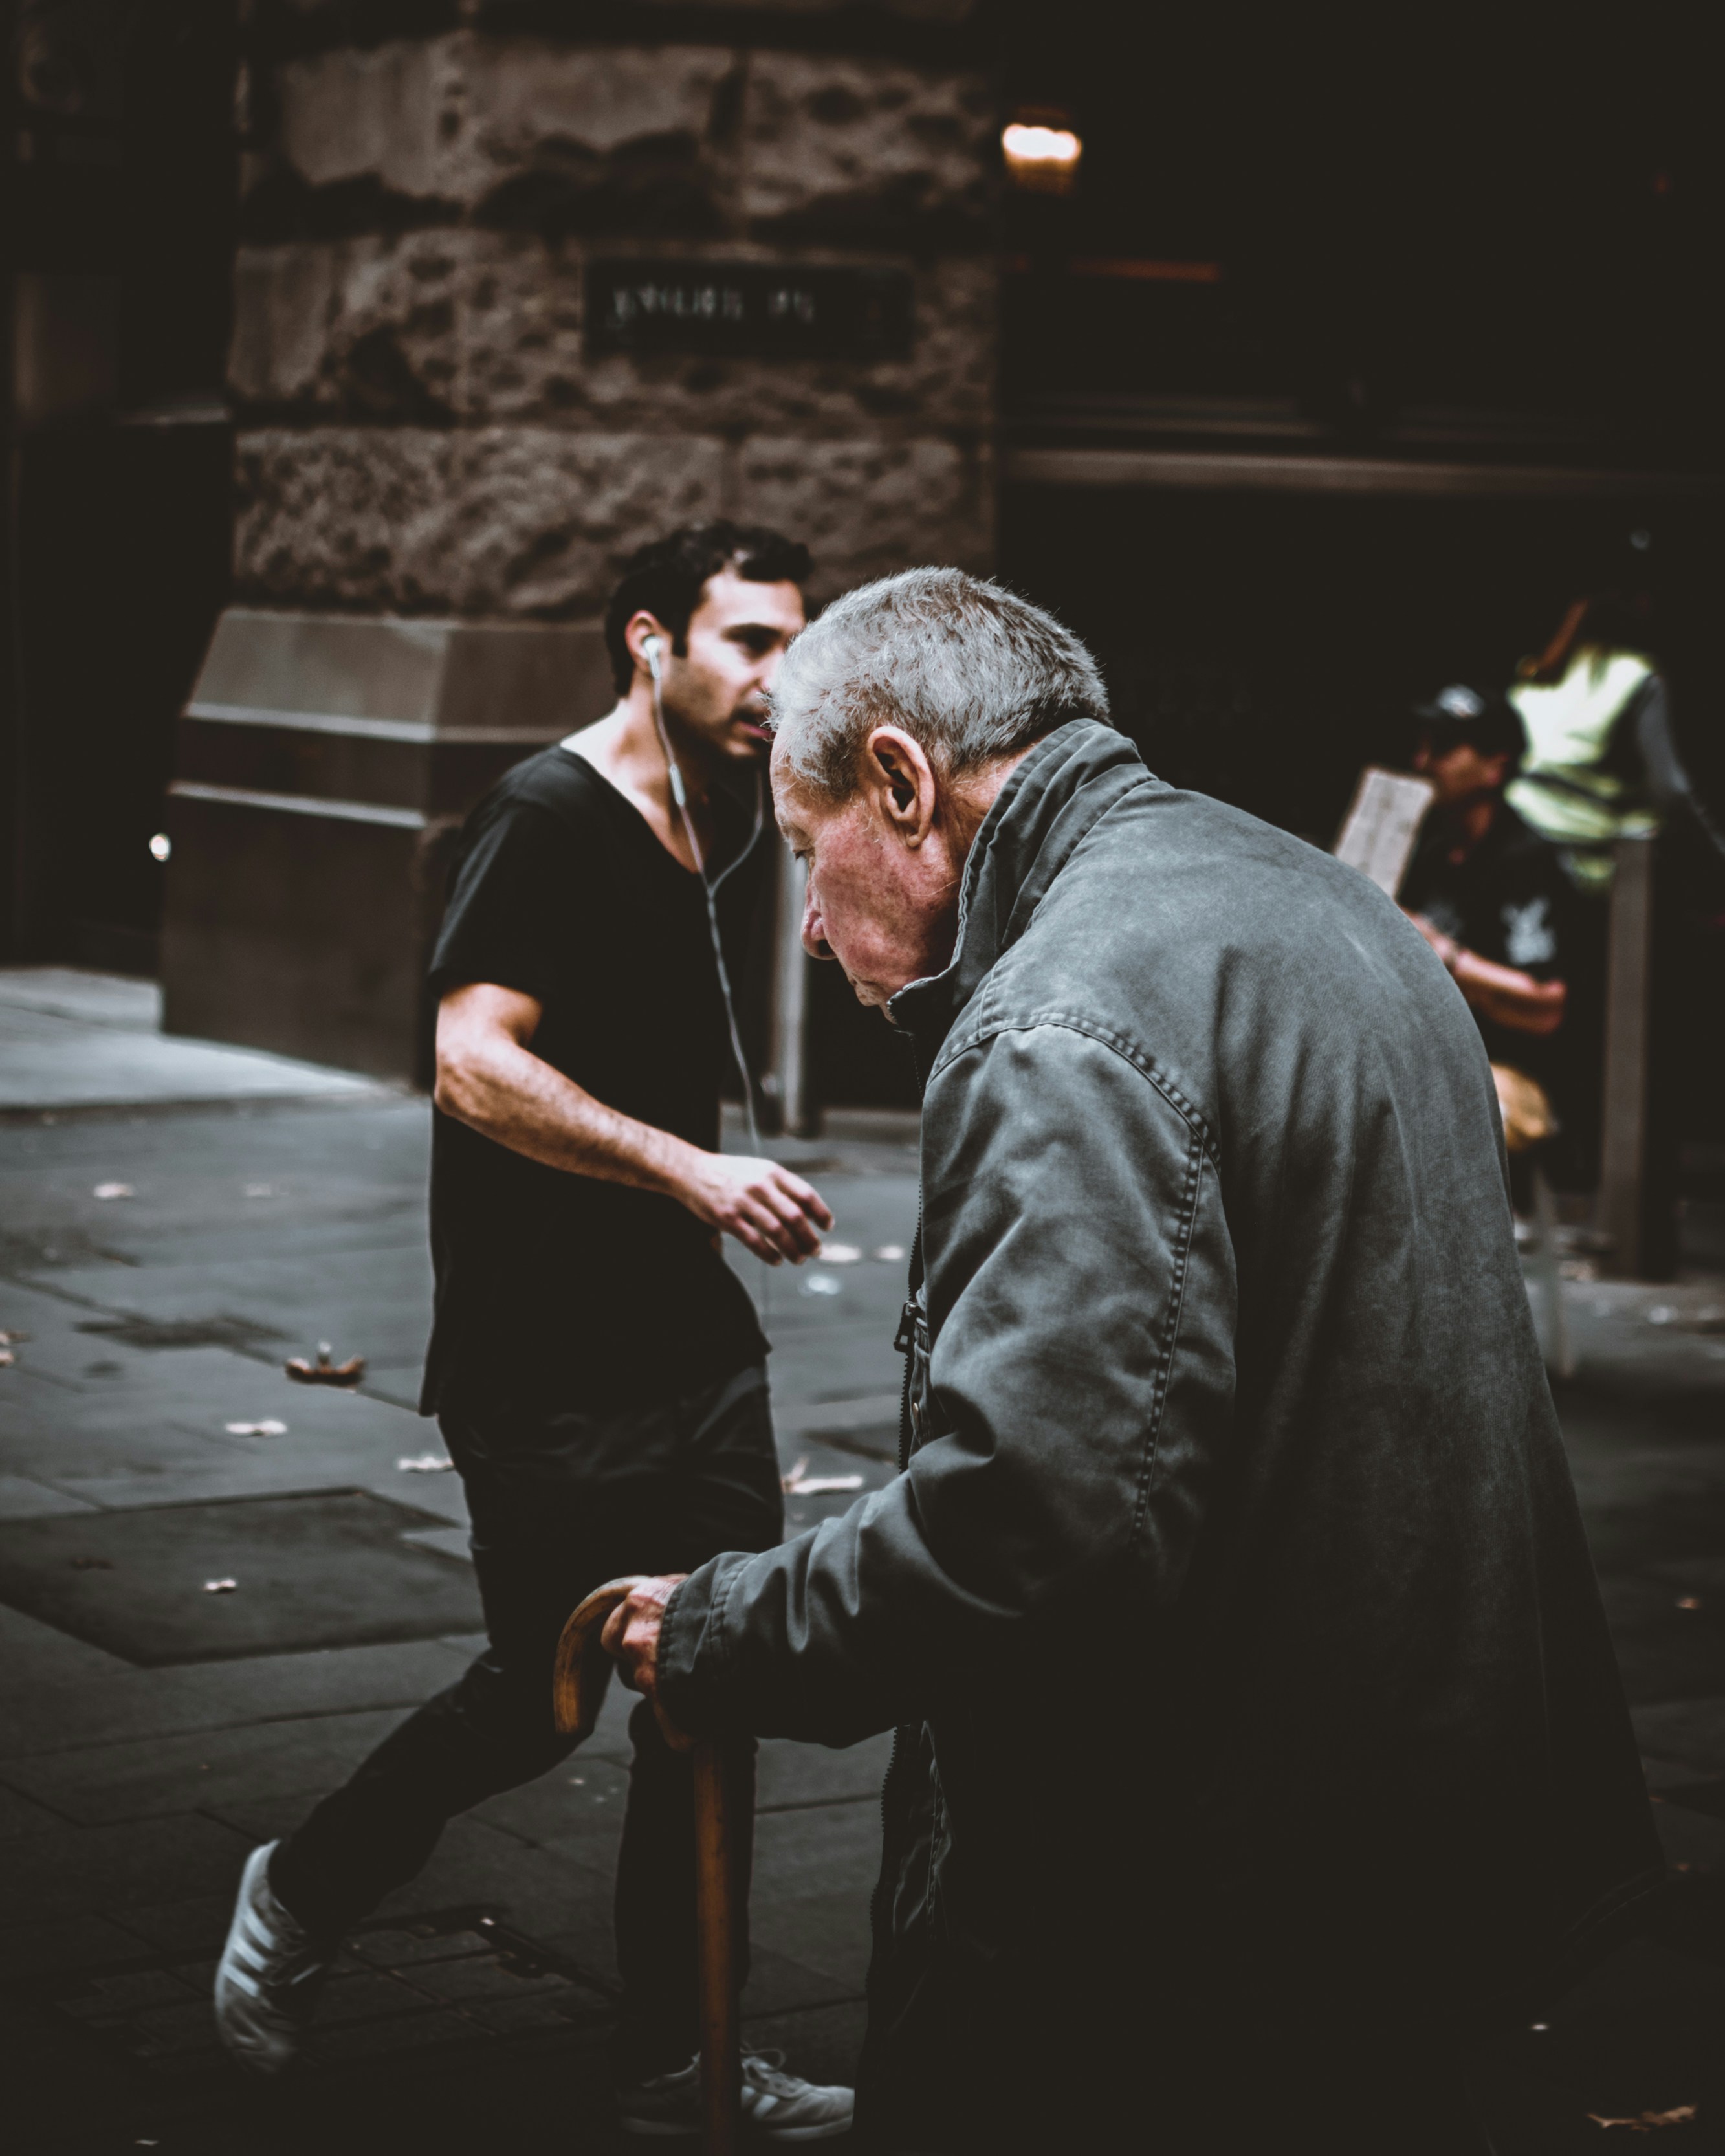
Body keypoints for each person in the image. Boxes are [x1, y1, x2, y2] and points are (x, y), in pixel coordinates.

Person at [594, 569, 1661, 2154]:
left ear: (900, 781)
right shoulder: (1322, 900)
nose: (810, 926)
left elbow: (1032, 1529)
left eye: (811, 856)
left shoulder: (1056, 1020)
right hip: (1422, 1850)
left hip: (1182, 1915)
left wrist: (726, 1630)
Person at [214, 523, 854, 2142]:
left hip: (693, 1353)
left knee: (712, 1683)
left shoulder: (714, 809)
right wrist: (690, 1167)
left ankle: (671, 2054)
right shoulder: (544, 813)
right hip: (541, 1361)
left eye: (797, 643)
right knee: (541, 1693)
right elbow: (471, 1064)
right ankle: (301, 1885)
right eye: (751, 644)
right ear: (649, 640)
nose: (781, 678)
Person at [1398, 681, 1578, 1150]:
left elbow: (1546, 1006)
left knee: (1433, 1109)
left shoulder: (1525, 859)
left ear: (1495, 767)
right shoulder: (1431, 852)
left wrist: (1443, 954)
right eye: (1423, 748)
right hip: (1427, 1058)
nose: (1424, 764)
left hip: (1513, 1074)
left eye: (1443, 749)